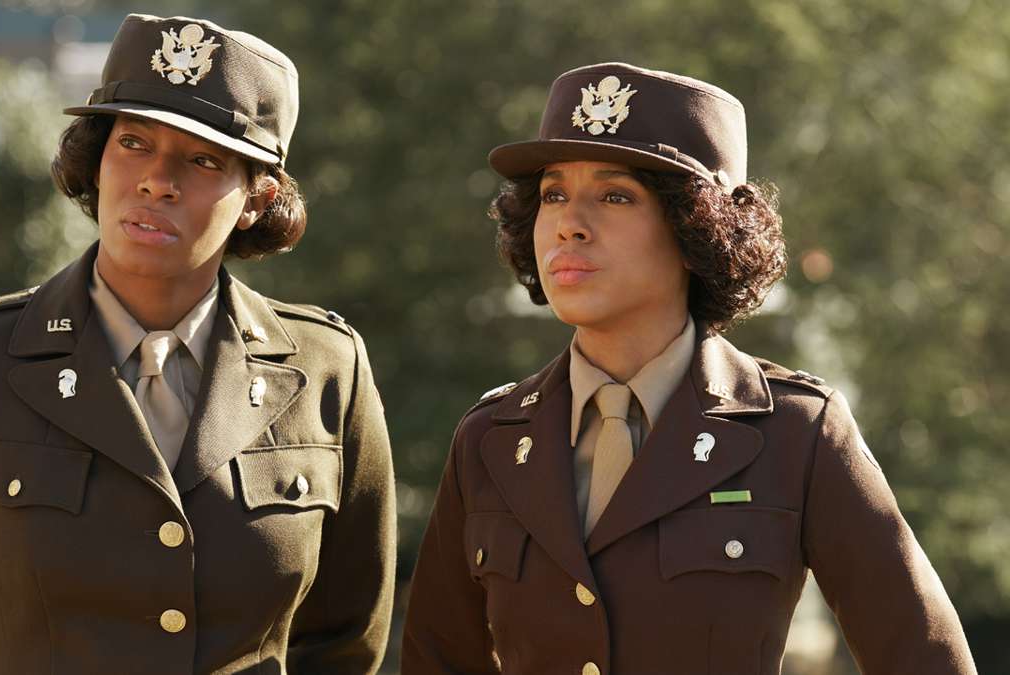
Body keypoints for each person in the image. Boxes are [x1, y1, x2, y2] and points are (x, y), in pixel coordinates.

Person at [0, 13, 395, 674]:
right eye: (133, 142)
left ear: (257, 197)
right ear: (97, 161)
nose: (157, 179)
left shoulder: (327, 370)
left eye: (203, 159)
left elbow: (346, 643)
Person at [401, 62, 976, 674]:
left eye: (615, 196)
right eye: (553, 195)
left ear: (695, 227)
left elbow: (924, 659)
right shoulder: (489, 438)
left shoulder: (797, 431)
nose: (568, 224)